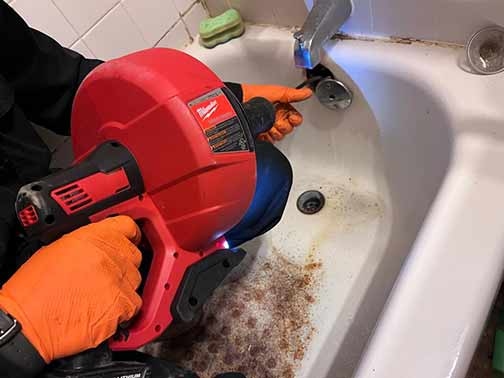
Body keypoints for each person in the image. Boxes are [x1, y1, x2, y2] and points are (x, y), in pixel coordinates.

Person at [0, 2, 312, 378]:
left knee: (263, 178)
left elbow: (64, 84)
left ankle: (157, 306)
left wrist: (222, 101)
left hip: (44, 214)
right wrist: (21, 332)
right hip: (14, 322)